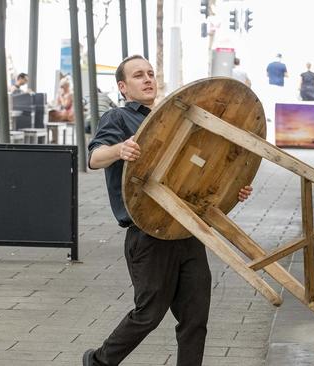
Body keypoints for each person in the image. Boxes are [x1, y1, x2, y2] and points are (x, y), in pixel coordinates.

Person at [83, 55, 253, 366]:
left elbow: (198, 172)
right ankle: (98, 361)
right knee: (148, 314)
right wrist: (119, 149)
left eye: (150, 73)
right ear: (123, 87)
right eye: (138, 76)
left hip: (187, 230)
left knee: (195, 318)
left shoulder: (174, 117)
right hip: (147, 233)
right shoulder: (118, 119)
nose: (147, 79)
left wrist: (232, 190)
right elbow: (93, 158)